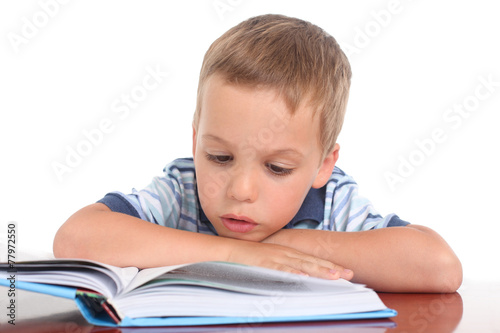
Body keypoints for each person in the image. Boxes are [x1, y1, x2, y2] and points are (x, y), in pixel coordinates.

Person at [53, 14, 462, 293]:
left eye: (277, 167)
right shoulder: (183, 189)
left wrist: (286, 246)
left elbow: (440, 267)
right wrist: (237, 252)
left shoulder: (332, 202)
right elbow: (75, 239)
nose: (241, 190)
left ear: (323, 165)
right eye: (219, 157)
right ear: (196, 141)